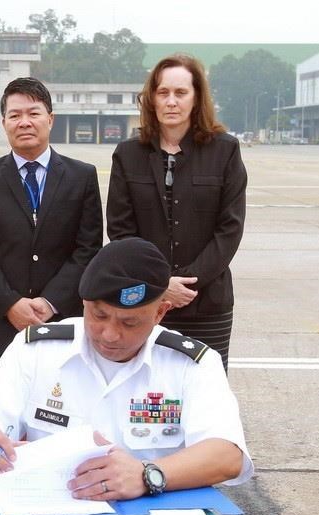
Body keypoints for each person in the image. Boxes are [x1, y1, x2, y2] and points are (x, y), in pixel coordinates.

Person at [0, 238, 253, 500]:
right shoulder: (34, 350)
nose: (109, 334)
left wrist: (147, 474)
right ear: (84, 302)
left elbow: (228, 456)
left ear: (160, 313)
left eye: (129, 323)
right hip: (49, 514)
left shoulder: (190, 364)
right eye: (99, 315)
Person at [106, 54, 247, 370]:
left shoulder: (225, 150)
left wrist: (188, 282)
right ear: (152, 98)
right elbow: (120, 229)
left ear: (196, 99)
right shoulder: (128, 154)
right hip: (146, 300)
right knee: (147, 391)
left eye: (180, 93)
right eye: (163, 92)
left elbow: (230, 228)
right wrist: (161, 283)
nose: (171, 101)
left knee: (206, 387)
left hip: (208, 301)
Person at [0, 77, 103, 381]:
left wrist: (49, 302)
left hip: (64, 323)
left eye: (33, 113)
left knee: (62, 422)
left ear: (50, 119)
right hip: (1, 327)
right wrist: (10, 304)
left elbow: (88, 249)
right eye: (15, 115)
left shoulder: (82, 177)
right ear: (4, 122)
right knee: (1, 426)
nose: (24, 122)